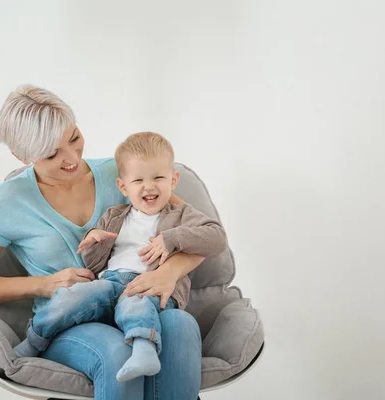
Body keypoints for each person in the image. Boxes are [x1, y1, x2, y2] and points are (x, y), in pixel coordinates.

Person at [0, 85, 205, 400]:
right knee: (117, 353)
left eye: (74, 138)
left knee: (181, 325)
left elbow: (200, 232)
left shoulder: (121, 174)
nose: (71, 159)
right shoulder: (9, 200)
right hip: (69, 322)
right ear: (22, 155)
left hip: (139, 301)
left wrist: (169, 273)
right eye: (51, 153)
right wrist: (45, 285)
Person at [13, 132, 227, 383]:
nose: (149, 186)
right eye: (138, 180)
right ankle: (35, 338)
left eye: (158, 177)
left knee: (135, 298)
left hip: (149, 288)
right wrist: (94, 242)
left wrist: (172, 239)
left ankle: (144, 349)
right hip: (109, 282)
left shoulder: (181, 215)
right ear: (123, 187)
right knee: (74, 296)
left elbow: (216, 238)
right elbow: (92, 266)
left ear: (174, 180)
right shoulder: (115, 216)